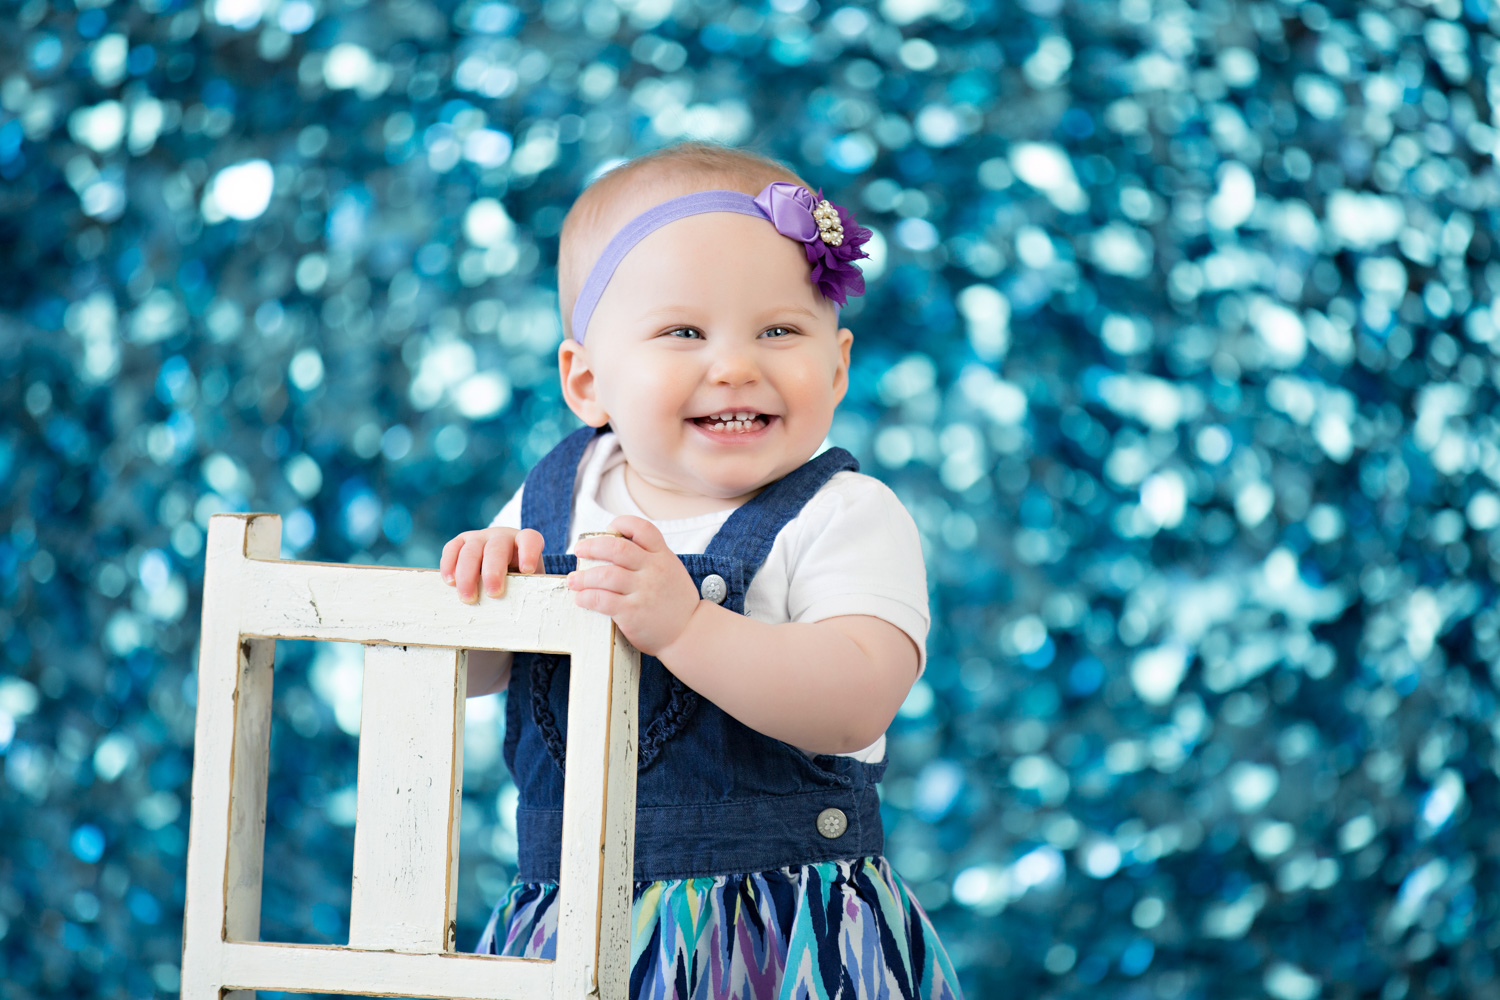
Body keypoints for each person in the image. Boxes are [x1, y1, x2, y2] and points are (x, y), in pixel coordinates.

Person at [439, 141, 962, 999]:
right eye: (684, 331)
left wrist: (686, 628)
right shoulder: (553, 500)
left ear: (836, 366)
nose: (736, 365)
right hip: (567, 935)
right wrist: (484, 594)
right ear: (588, 381)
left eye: (780, 330)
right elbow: (472, 680)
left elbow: (856, 696)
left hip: (784, 937)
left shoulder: (843, 514)